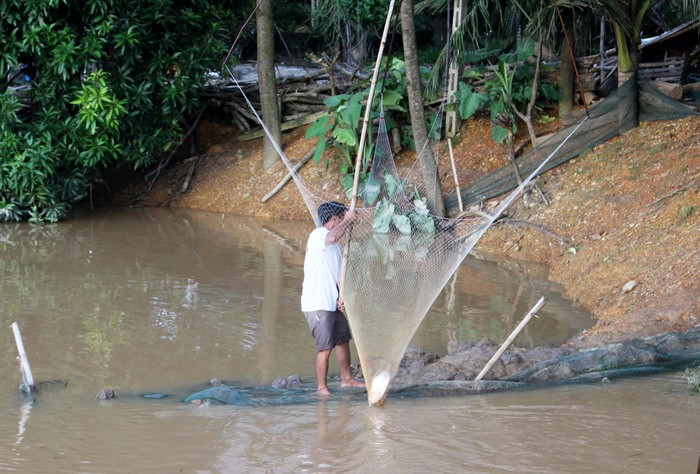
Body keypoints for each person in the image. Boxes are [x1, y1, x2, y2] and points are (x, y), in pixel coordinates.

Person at [301, 201, 365, 395]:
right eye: (341, 218)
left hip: (331, 303)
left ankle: (347, 379)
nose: (343, 222)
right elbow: (332, 236)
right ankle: (322, 388)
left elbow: (338, 278)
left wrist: (341, 298)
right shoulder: (318, 235)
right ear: (334, 219)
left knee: (343, 339)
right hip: (317, 304)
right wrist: (347, 220)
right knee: (325, 348)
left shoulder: (336, 249)